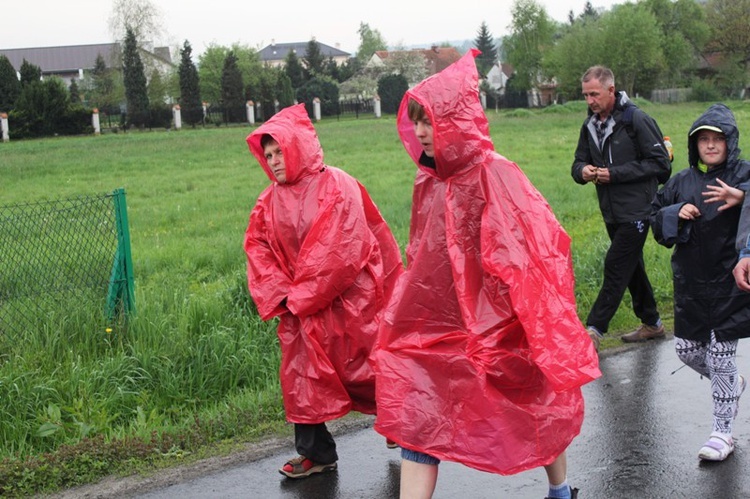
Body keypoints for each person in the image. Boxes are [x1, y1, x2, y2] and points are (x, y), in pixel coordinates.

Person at [374, 50, 600, 499]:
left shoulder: (495, 173)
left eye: (430, 121)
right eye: (416, 121)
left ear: (454, 121)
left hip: (498, 320)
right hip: (436, 325)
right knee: (420, 415)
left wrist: (523, 321)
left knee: (534, 402)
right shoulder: (428, 181)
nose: (421, 132)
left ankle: (561, 490)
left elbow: (531, 250)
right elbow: (423, 252)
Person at [243, 103, 403, 478]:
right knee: (304, 378)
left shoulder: (337, 184)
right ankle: (316, 453)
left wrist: (299, 298)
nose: (274, 161)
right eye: (268, 155)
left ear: (296, 145)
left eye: (280, 150)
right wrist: (282, 295)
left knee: (366, 367)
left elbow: (341, 250)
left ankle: (399, 421)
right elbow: (257, 248)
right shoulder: (268, 201)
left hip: (351, 303)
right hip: (301, 309)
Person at [651, 103, 750, 461]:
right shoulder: (681, 181)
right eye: (703, 140)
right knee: (687, 350)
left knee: (723, 356)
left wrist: (741, 197)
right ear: (695, 146)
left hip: (731, 283)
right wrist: (673, 212)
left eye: (717, 139)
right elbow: (655, 215)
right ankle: (733, 386)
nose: (710, 146)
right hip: (691, 283)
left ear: (730, 142)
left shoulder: (743, 174)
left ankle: (722, 433)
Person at [571, 66, 672, 350]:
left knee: (616, 266)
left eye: (594, 94)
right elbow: (576, 163)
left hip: (639, 210)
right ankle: (652, 323)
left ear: (611, 90)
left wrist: (614, 173)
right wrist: (584, 171)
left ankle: (593, 330)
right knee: (632, 267)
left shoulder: (635, 119)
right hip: (611, 212)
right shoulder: (589, 125)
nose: (589, 100)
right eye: (585, 95)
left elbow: (660, 164)